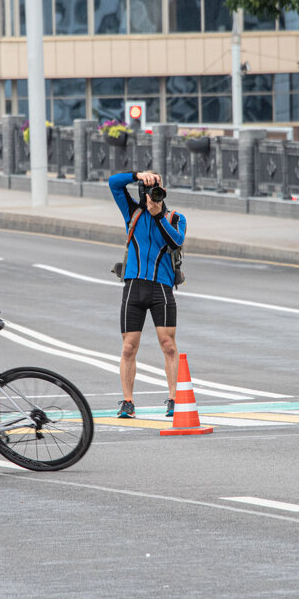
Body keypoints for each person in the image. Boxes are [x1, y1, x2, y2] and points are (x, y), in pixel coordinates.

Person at [108, 170, 187, 418]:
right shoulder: (132, 212)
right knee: (129, 348)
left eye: (158, 188)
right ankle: (128, 402)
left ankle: (174, 399)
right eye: (149, 188)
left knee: (168, 346)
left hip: (161, 288)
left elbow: (176, 242)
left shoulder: (175, 218)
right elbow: (113, 183)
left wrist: (159, 216)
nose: (153, 194)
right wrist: (137, 175)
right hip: (134, 287)